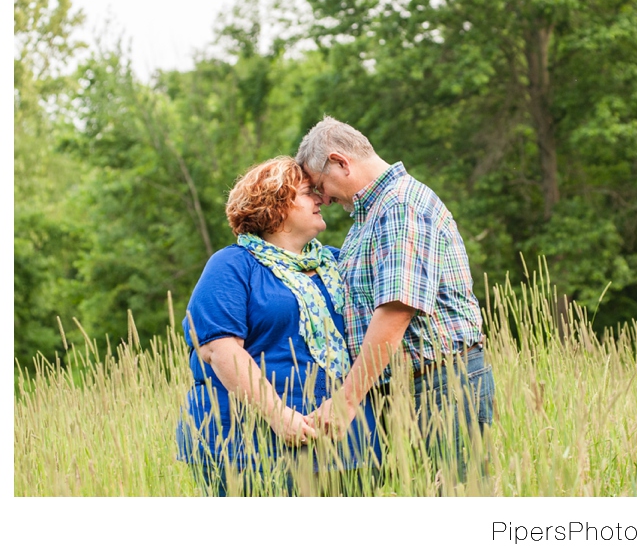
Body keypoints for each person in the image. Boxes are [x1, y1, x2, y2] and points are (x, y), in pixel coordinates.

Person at [296, 116, 495, 483]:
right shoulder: (369, 217)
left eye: (321, 185)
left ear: (341, 162)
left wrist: (347, 399)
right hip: (407, 388)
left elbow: (394, 313)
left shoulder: (400, 206)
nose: (322, 198)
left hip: (440, 384)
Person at [175, 156, 381, 496]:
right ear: (275, 206)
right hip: (249, 447)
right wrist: (278, 416)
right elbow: (219, 348)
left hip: (346, 444)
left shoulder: (336, 261)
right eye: (306, 193)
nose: (319, 199)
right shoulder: (233, 265)